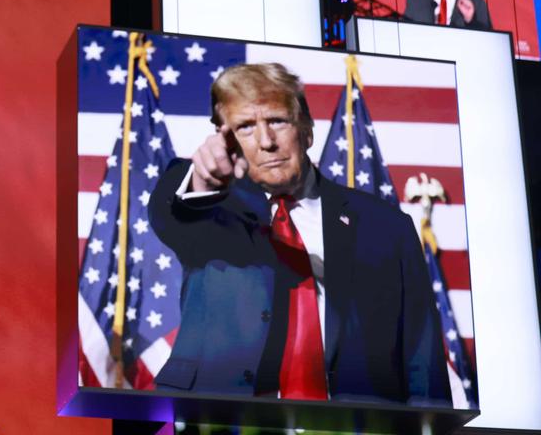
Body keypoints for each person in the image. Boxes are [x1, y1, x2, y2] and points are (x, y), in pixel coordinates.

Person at [148, 63, 450, 405]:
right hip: (220, 421)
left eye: (277, 120)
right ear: (223, 138)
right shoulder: (207, 207)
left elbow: (422, 360)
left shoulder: (386, 226)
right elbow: (171, 213)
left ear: (306, 130)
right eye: (245, 127)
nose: (266, 142)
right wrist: (204, 181)